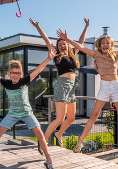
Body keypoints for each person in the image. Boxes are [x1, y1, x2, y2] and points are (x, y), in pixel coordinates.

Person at [0, 49, 56, 169]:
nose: (15, 75)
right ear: (8, 73)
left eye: (17, 73)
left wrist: (49, 58)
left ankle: (49, 161)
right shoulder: (6, 83)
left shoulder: (24, 81)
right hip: (13, 113)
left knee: (40, 135)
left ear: (21, 73)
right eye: (13, 73)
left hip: (27, 112)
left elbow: (38, 70)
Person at [29, 17, 89, 147]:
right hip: (62, 85)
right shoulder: (56, 55)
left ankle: (59, 134)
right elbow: (47, 40)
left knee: (71, 118)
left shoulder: (73, 53)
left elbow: (81, 41)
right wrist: (37, 27)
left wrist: (86, 27)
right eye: (60, 44)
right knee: (60, 118)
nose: (62, 45)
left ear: (67, 44)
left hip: (72, 87)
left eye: (64, 43)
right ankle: (43, 141)